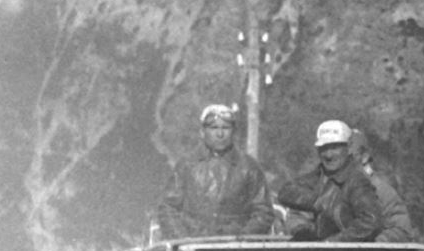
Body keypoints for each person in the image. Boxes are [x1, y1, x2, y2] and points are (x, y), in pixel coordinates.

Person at [154, 104, 272, 238]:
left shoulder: (249, 167)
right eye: (214, 128)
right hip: (192, 246)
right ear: (202, 132)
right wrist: (183, 241)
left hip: (236, 246)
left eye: (225, 128)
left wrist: (242, 241)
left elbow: (263, 212)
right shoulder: (186, 166)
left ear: (233, 131)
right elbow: (168, 208)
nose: (220, 134)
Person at [276, 120, 383, 242]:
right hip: (325, 250)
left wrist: (333, 243)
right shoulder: (318, 176)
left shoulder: (357, 181)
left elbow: (371, 222)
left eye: (334, 147)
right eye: (324, 148)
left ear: (348, 148)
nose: (328, 155)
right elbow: (286, 192)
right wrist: (318, 202)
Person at [350, 129, 417, 242]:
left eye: (349, 156)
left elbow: (402, 231)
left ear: (364, 157)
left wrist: (375, 243)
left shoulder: (382, 192)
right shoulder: (323, 191)